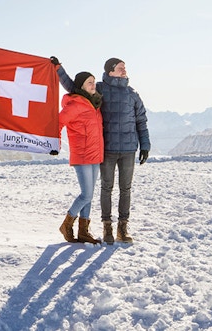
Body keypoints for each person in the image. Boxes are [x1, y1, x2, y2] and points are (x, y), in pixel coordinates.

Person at [51, 56, 150, 244]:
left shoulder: (132, 94)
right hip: (108, 150)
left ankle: (122, 228)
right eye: (121, 67)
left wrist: (145, 144)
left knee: (125, 189)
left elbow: (141, 121)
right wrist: (58, 69)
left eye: (125, 67)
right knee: (106, 188)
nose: (124, 70)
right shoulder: (100, 90)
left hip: (128, 149)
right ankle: (107, 228)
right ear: (110, 70)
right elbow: (74, 88)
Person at [58, 71, 104, 244]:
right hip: (82, 155)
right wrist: (56, 145)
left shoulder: (94, 103)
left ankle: (83, 232)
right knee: (86, 195)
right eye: (89, 82)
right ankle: (66, 224)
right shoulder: (75, 105)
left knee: (90, 195)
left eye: (94, 81)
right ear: (81, 86)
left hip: (95, 155)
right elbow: (58, 122)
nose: (93, 85)